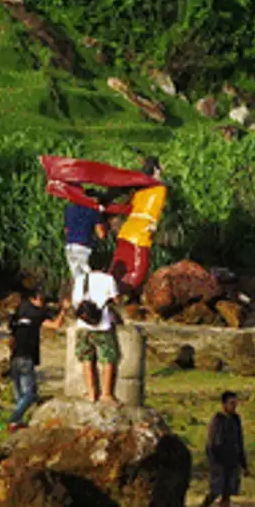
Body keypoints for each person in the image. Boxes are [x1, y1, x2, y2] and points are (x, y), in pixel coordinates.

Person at [109, 160, 167, 294]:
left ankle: (110, 293)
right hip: (140, 234)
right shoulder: (160, 188)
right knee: (137, 272)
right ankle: (121, 296)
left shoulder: (139, 190)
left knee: (118, 269)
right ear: (156, 171)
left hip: (126, 231)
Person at [7, 287, 58, 429]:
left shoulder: (17, 315)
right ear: (33, 299)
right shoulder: (37, 314)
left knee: (20, 395)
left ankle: (16, 423)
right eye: (41, 299)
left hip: (14, 357)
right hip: (26, 358)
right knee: (30, 394)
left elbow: (10, 339)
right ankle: (14, 418)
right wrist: (64, 312)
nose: (42, 302)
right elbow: (56, 325)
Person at [70, 267, 122, 403]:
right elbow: (117, 300)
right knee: (108, 359)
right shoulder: (109, 279)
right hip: (103, 325)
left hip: (83, 326)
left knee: (86, 359)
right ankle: (106, 394)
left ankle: (91, 393)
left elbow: (76, 302)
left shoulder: (80, 280)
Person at [197, 391, 247, 507]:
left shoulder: (236, 420)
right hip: (219, 462)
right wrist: (213, 462)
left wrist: (243, 462)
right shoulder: (217, 420)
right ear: (224, 404)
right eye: (231, 403)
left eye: (235, 403)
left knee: (227, 494)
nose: (234, 406)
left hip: (232, 461)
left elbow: (240, 441)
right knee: (214, 491)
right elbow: (211, 443)